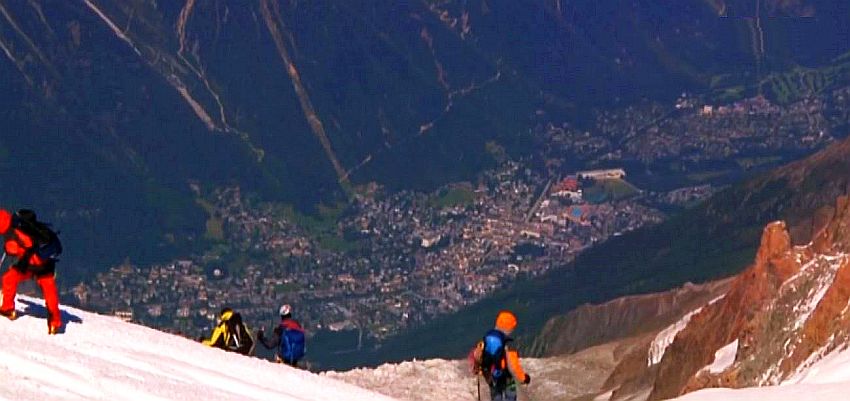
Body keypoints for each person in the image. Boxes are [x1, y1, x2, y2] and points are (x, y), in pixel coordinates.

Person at [0, 209, 64, 334]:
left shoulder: (12, 231)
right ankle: (54, 323)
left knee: (9, 278)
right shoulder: (25, 227)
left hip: (30, 264)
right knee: (49, 290)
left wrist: (8, 248)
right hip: (45, 264)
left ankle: (7, 308)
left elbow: (14, 249)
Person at [470, 310, 531, 401]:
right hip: (506, 378)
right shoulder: (506, 343)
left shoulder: (487, 338)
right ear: (510, 328)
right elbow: (513, 367)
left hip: (492, 376)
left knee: (496, 397)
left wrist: (479, 368)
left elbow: (478, 354)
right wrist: (524, 378)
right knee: (510, 396)